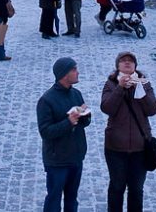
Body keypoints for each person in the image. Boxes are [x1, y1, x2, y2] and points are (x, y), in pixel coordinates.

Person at [100, 51, 156, 212]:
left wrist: (140, 90)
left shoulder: (144, 84)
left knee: (136, 189)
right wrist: (120, 88)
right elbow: (107, 108)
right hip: (115, 148)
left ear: (135, 66)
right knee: (117, 187)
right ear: (117, 65)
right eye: (123, 61)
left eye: (130, 61)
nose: (127, 63)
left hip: (140, 148)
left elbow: (153, 109)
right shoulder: (111, 84)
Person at [37, 57, 91, 212]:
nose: (78, 73)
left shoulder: (76, 94)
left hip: (76, 157)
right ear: (64, 74)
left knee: (72, 199)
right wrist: (69, 122)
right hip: (57, 161)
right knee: (54, 199)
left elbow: (84, 123)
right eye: (74, 70)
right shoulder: (46, 100)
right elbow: (45, 132)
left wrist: (85, 116)